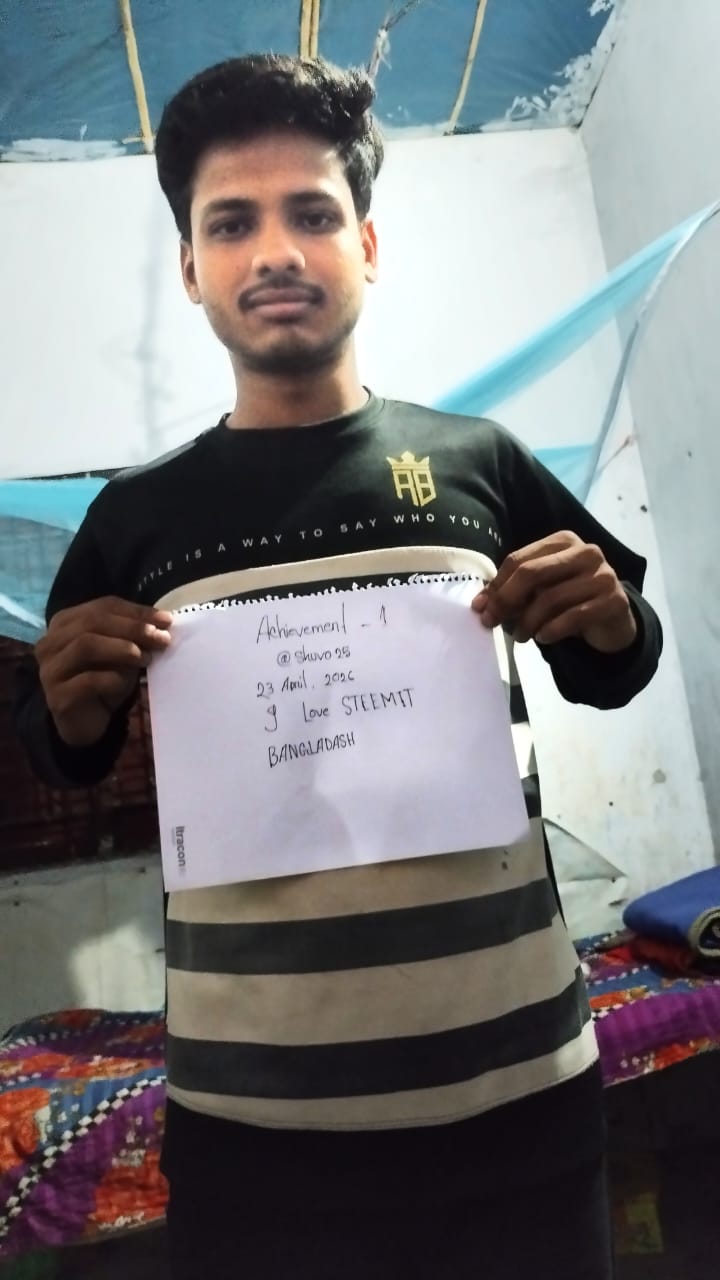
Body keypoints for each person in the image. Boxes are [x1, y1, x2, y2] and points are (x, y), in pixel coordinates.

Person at [13, 54, 662, 1280]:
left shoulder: (479, 459)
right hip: (256, 1143)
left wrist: (615, 619)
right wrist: (62, 704)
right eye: (231, 223)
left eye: (311, 213)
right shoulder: (135, 517)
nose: (276, 250)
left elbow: (614, 667)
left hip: (525, 1102)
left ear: (365, 244)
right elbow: (61, 743)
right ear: (191, 267)